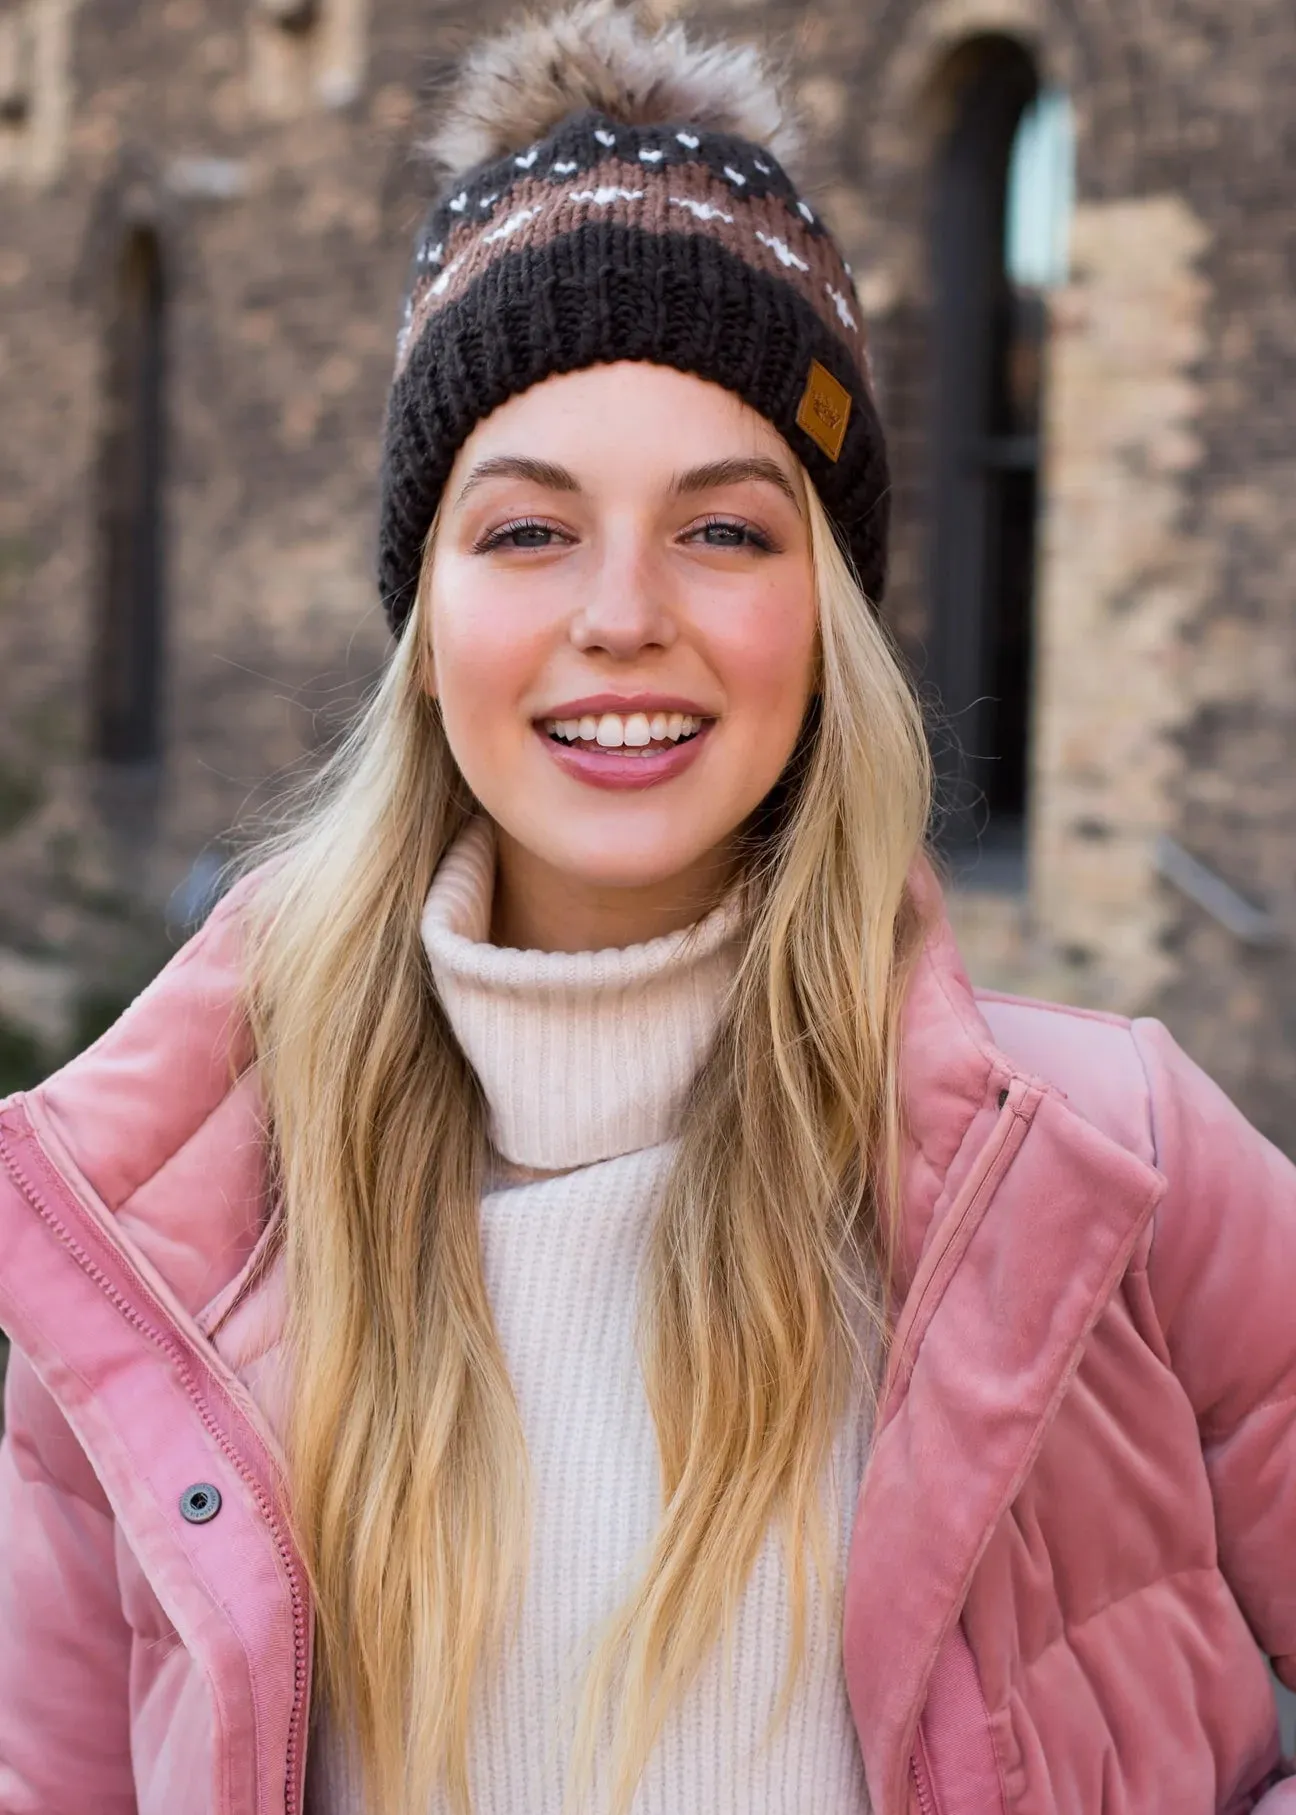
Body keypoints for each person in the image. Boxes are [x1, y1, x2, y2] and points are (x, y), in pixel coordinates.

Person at [0, 5, 1293, 1812]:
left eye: (727, 530)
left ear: (824, 618)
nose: (624, 613)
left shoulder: (1119, 1166)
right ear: (427, 617)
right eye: (527, 530)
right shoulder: (156, 1254)